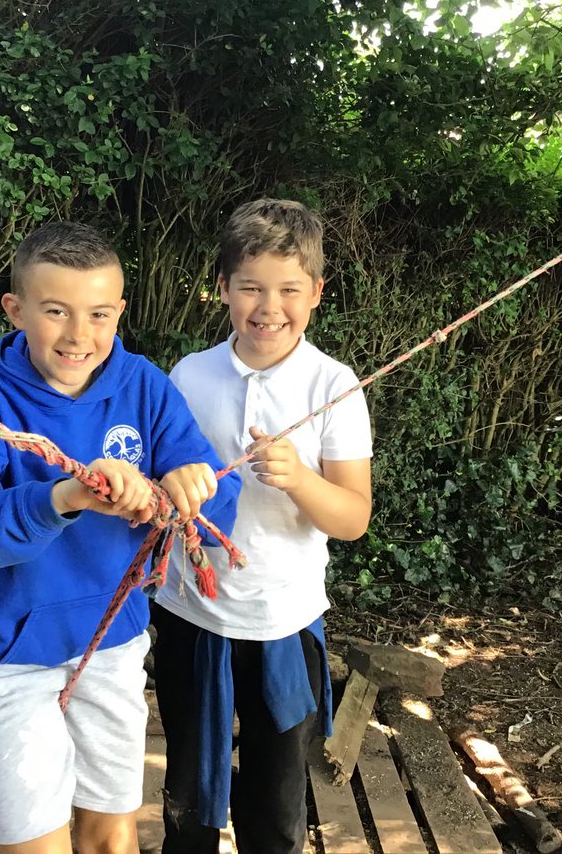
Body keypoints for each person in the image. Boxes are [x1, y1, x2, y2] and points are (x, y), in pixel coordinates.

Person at [0, 221, 241, 854]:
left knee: (110, 839)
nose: (78, 335)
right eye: (55, 311)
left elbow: (218, 511)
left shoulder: (145, 386)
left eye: (98, 313)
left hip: (111, 647)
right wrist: (63, 497)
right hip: (4, 659)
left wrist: (186, 484)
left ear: (120, 310)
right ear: (15, 310)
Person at [151, 199, 374, 854]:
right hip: (190, 615)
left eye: (287, 289)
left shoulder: (335, 385)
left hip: (284, 622)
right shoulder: (188, 375)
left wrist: (300, 479)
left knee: (276, 806)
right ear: (222, 288)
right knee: (189, 799)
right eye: (249, 286)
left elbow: (354, 517)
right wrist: (172, 490)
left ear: (317, 294)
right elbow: (162, 481)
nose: (267, 306)